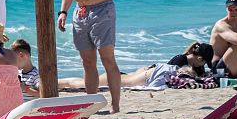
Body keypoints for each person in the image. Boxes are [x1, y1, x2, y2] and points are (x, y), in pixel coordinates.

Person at [57, 42, 214, 90]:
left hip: (134, 76)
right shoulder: (180, 60)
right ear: (199, 58)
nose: (203, 65)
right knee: (82, 84)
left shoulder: (194, 66)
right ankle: (52, 84)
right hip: (134, 78)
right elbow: (165, 77)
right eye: (204, 62)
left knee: (87, 83)